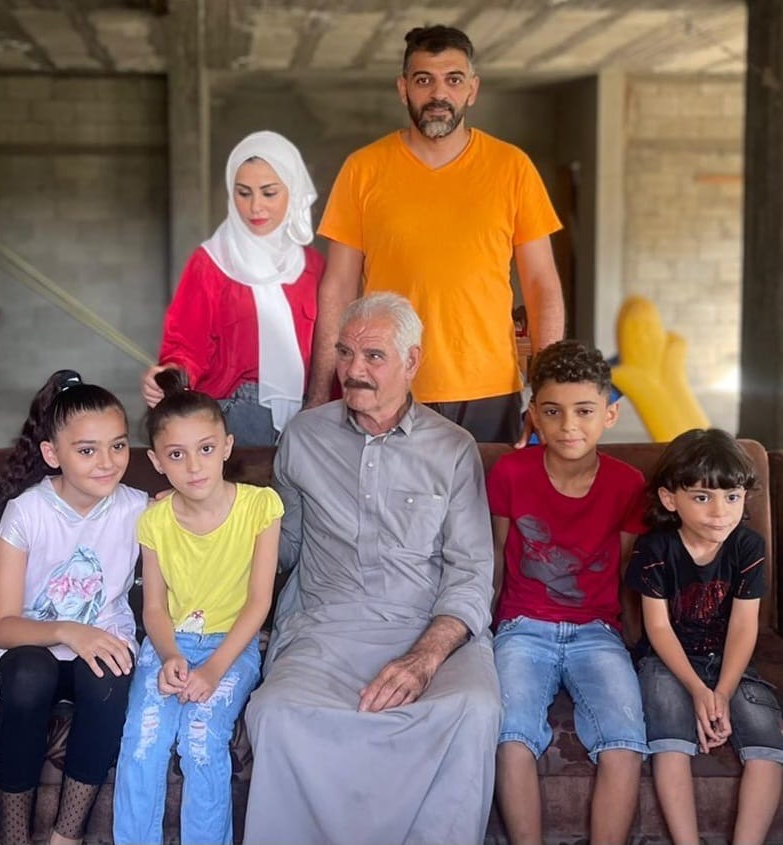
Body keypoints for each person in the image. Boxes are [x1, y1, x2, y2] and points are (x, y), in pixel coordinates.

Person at [243, 292, 501, 845]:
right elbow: (283, 547)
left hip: (426, 628)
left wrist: (424, 660)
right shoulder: (304, 437)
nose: (353, 370)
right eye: (344, 352)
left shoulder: (454, 450)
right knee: (277, 711)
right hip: (325, 628)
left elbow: (471, 572)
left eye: (374, 355)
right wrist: (205, 520)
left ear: (412, 361)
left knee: (473, 709)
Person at [307, 24, 564, 443]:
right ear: (403, 88)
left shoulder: (512, 168)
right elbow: (337, 288)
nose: (438, 94)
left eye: (454, 80)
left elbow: (541, 285)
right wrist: (319, 394)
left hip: (489, 388)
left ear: (472, 90)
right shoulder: (362, 170)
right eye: (424, 80)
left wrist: (549, 391)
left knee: (486, 490)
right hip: (387, 387)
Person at [487, 340, 648, 845]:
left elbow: (624, 570)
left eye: (584, 411)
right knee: (510, 735)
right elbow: (496, 561)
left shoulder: (628, 484)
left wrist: (634, 643)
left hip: (597, 632)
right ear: (534, 414)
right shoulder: (510, 473)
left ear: (610, 414)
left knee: (625, 741)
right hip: (521, 628)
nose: (568, 426)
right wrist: (482, 635)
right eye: (552, 411)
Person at [113, 369, 282, 845]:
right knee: (143, 739)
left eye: (205, 449)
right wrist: (169, 655)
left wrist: (213, 670)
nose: (193, 466)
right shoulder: (154, 521)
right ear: (157, 461)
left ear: (226, 446)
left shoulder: (260, 508)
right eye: (177, 454)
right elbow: (154, 609)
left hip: (232, 645)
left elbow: (259, 601)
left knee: (202, 738)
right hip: (169, 643)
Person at [0, 370, 147, 845]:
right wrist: (69, 630)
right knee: (30, 674)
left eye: (118, 446)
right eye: (87, 450)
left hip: (102, 648)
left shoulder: (139, 508)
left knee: (110, 673)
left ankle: (66, 836)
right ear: (53, 454)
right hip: (31, 649)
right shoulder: (27, 511)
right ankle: (13, 836)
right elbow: (1, 626)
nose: (107, 462)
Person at [625, 428, 783, 845]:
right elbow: (658, 627)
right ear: (669, 499)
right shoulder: (655, 549)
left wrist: (723, 692)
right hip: (667, 660)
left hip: (729, 659)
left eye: (732, 497)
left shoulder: (748, 547)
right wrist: (698, 690)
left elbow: (744, 625)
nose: (719, 512)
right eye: (701, 497)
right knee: (669, 741)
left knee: (768, 742)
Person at [142, 130, 324, 446]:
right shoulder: (211, 262)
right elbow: (186, 344)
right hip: (233, 415)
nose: (255, 207)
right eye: (243, 193)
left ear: (293, 191)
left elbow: (329, 348)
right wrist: (169, 374)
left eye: (269, 193)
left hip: (306, 416)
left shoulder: (313, 268)